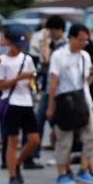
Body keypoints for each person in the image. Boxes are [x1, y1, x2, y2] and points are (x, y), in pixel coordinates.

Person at [46, 24, 93, 184]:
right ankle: (62, 174)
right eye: (81, 39)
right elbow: (53, 83)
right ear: (71, 37)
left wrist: (92, 75)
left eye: (86, 40)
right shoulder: (59, 55)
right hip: (64, 103)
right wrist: (51, 106)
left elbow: (86, 82)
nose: (84, 43)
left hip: (83, 102)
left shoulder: (84, 56)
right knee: (64, 140)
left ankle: (84, 170)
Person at [0, 26, 40, 184]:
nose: (18, 48)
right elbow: (0, 86)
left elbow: (33, 78)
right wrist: (19, 78)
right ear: (9, 43)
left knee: (34, 139)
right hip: (11, 102)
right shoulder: (2, 61)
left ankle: (17, 164)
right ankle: (12, 175)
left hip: (27, 101)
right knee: (12, 140)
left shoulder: (27, 59)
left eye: (20, 45)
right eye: (16, 44)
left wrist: (31, 81)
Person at [29, 15, 67, 169]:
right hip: (48, 88)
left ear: (58, 30)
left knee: (55, 123)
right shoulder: (53, 43)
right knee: (44, 121)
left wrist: (44, 40)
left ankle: (60, 155)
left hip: (59, 89)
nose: (49, 33)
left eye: (50, 30)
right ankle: (35, 154)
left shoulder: (63, 45)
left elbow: (46, 58)